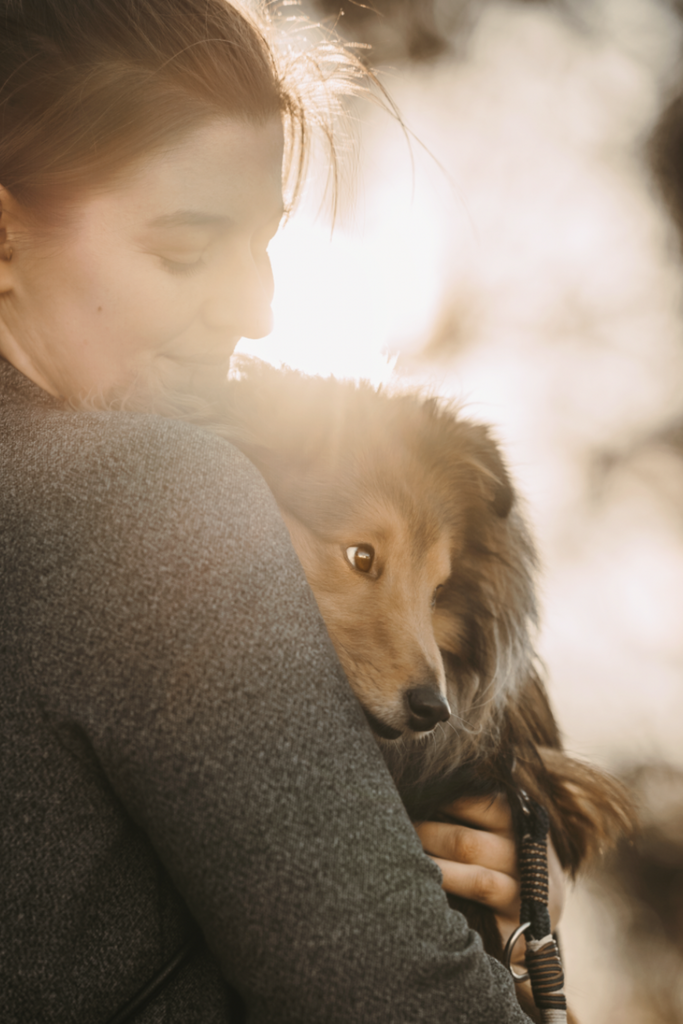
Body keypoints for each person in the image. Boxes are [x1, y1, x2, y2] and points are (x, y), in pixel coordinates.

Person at [0, 1, 563, 1021]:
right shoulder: (145, 495)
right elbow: (397, 991)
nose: (254, 310)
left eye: (260, 243)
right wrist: (504, 946)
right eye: (182, 249)